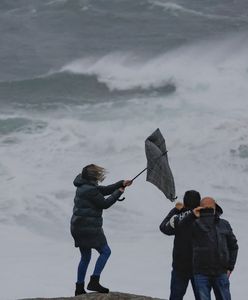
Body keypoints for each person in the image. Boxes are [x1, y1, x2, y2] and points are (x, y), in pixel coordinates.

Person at [70, 164, 132, 295]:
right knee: (106, 251)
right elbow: (105, 203)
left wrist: (122, 183)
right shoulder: (90, 190)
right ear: (93, 177)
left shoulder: (83, 185)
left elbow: (103, 190)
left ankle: (79, 288)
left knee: (85, 257)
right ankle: (94, 281)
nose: (99, 177)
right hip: (89, 227)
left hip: (78, 226)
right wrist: (118, 192)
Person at [178, 197, 239, 300]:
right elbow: (180, 229)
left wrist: (230, 267)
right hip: (201, 274)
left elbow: (233, 246)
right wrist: (192, 215)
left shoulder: (224, 224)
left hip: (221, 273)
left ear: (215, 208)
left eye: (210, 208)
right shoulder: (194, 224)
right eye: (205, 208)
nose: (208, 211)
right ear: (200, 208)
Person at [160, 190, 201, 300]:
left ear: (184, 202)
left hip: (180, 265)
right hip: (200, 266)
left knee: (176, 297)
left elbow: (163, 227)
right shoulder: (203, 218)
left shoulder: (179, 218)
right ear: (199, 203)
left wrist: (175, 210)